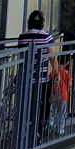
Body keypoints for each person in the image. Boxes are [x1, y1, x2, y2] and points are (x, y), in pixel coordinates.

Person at [18, 10, 57, 142]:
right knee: (42, 108)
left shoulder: (22, 37)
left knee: (27, 107)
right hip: (40, 80)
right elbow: (52, 58)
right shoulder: (46, 37)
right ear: (42, 22)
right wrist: (57, 73)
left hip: (26, 79)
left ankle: (24, 134)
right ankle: (38, 134)